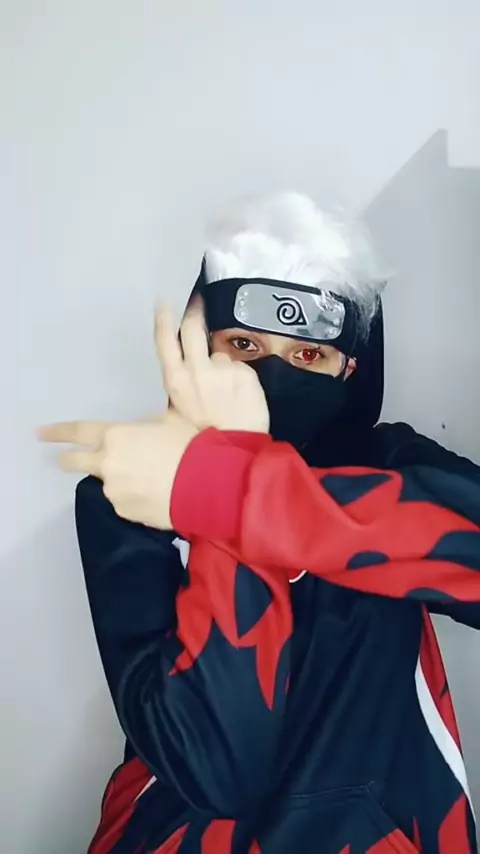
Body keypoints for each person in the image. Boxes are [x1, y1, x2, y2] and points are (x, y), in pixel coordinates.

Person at [40, 193, 480, 854]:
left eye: (308, 356)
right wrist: (223, 488)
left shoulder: (387, 464)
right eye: (243, 346)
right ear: (201, 350)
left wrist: (232, 492)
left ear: (348, 369)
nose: (269, 375)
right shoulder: (125, 495)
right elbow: (215, 763)